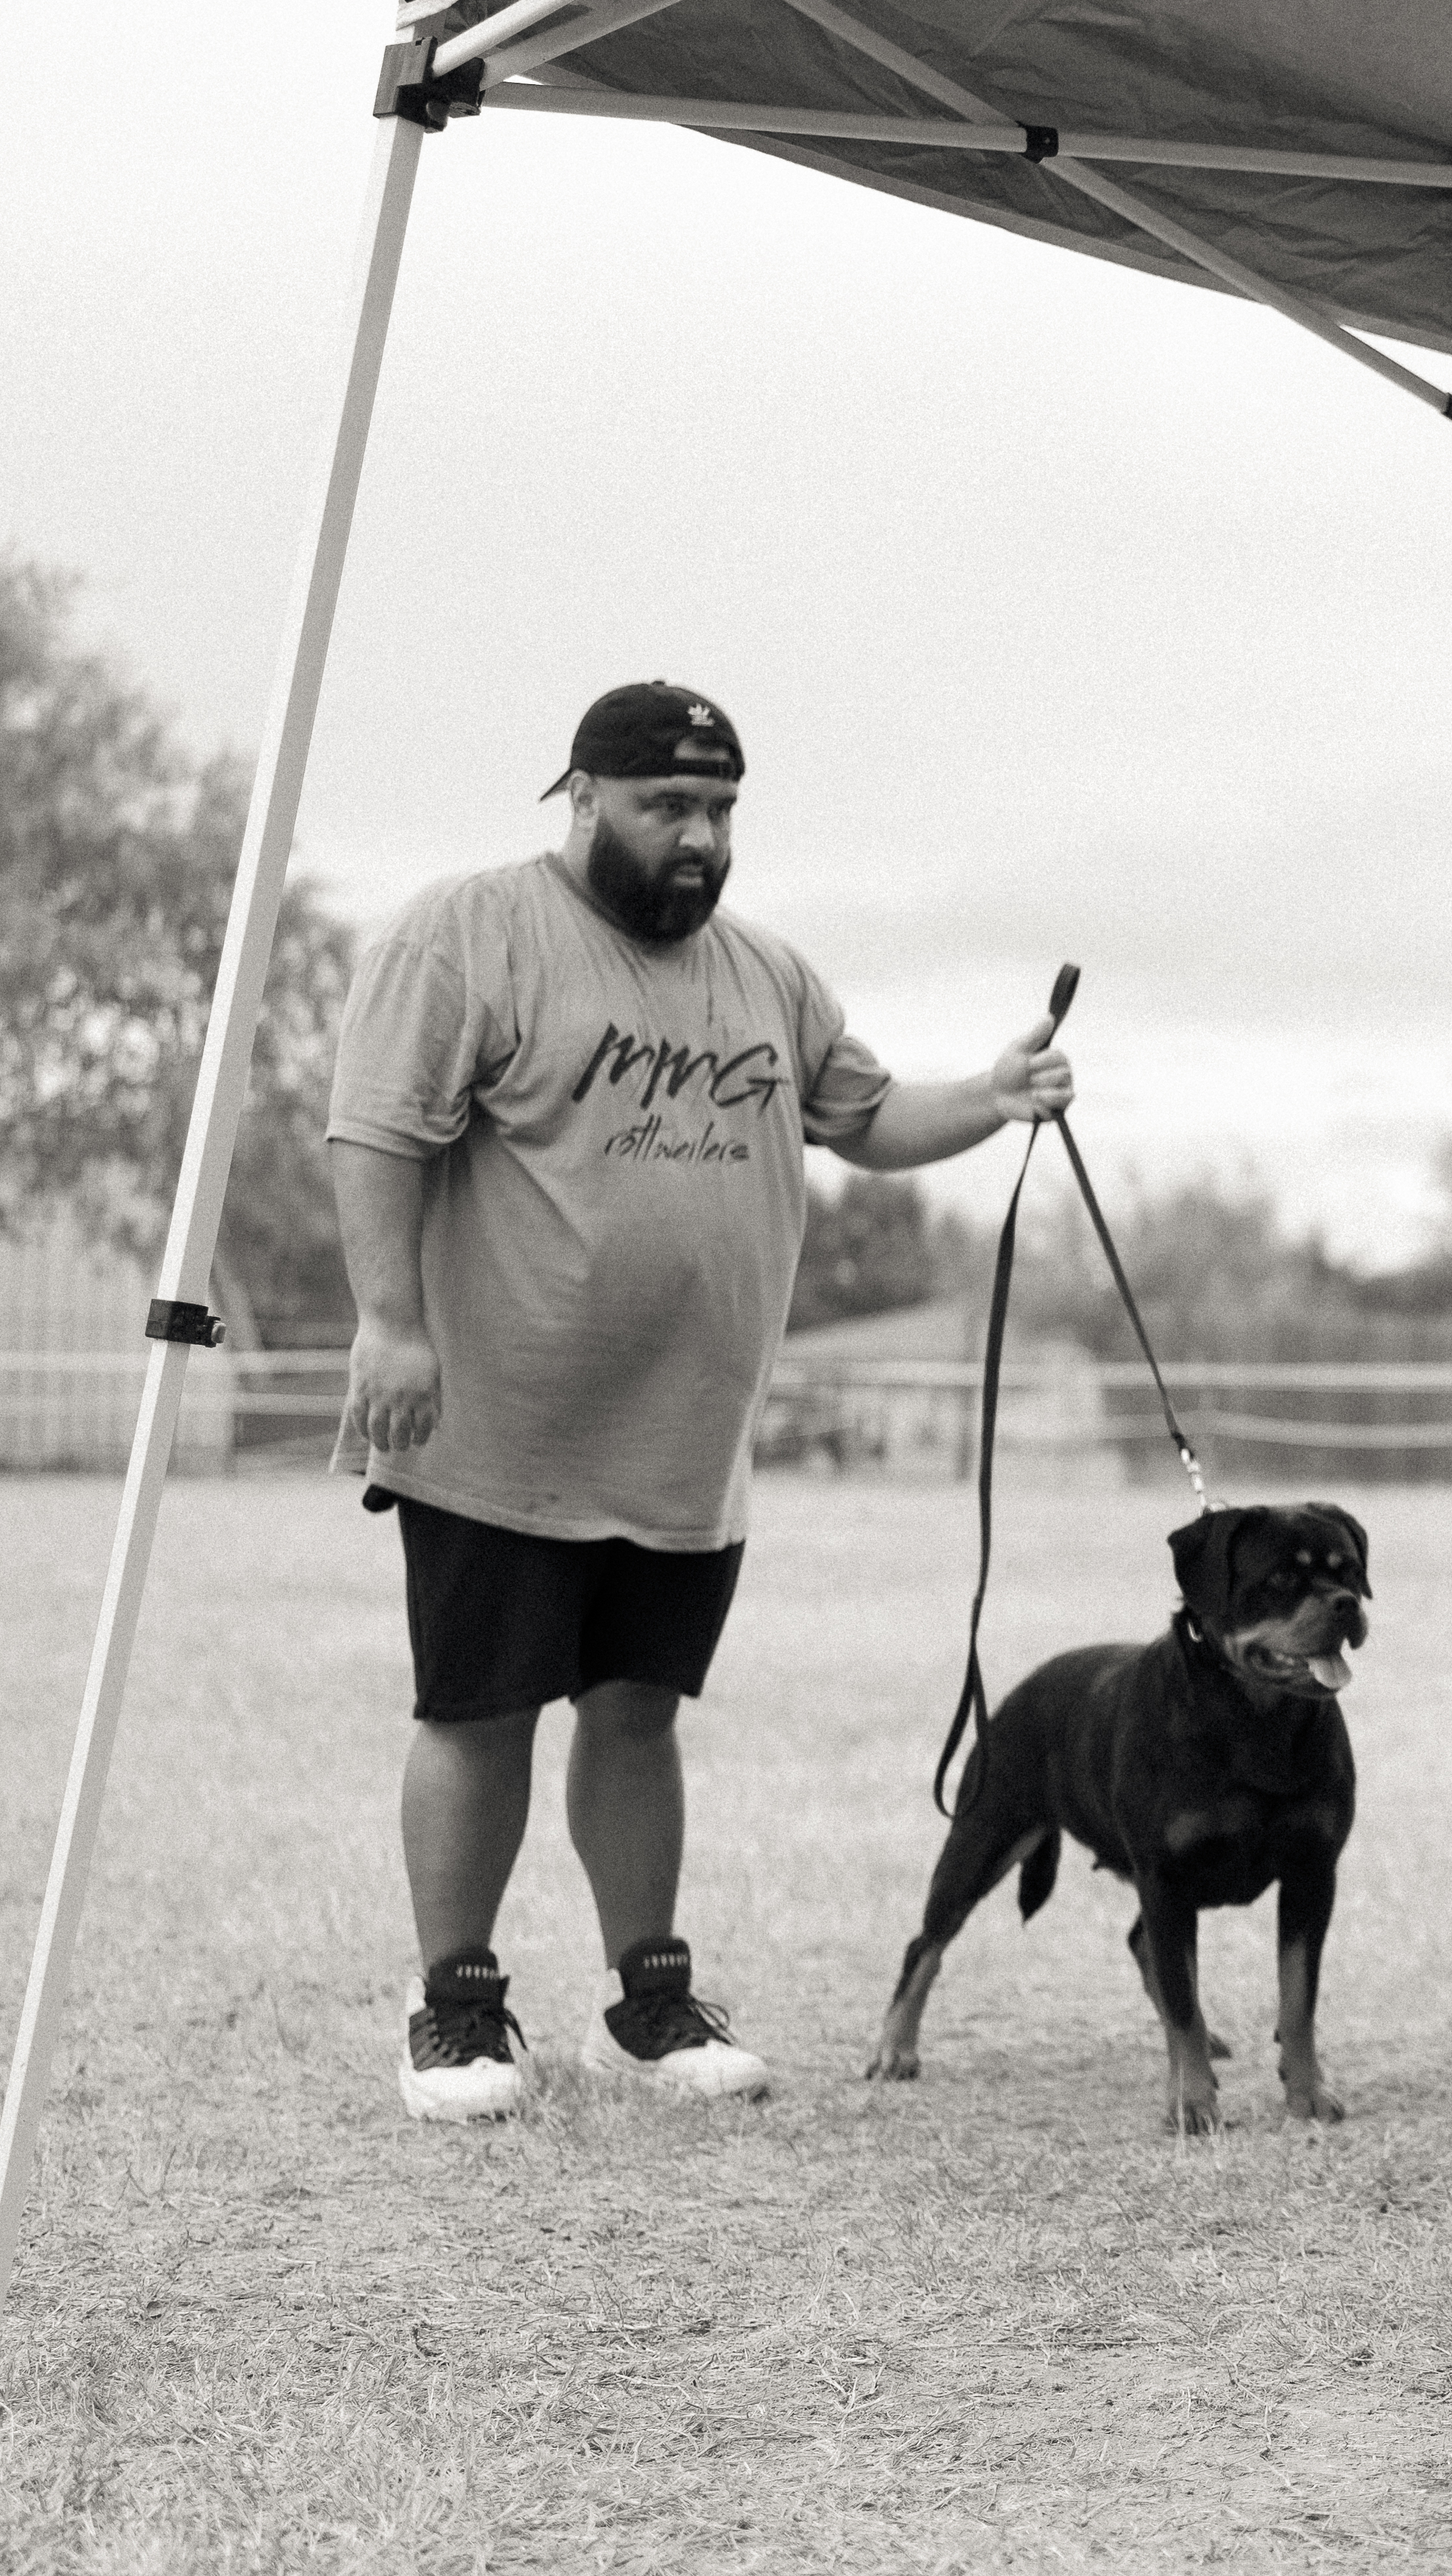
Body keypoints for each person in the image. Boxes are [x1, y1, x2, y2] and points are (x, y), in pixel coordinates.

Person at [331, 680, 1073, 2124]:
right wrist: (390, 1323)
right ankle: (457, 2011)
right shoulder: (467, 933)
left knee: (637, 1712)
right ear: (581, 797)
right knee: (480, 1710)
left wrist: (993, 1094)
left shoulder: (767, 974)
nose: (699, 837)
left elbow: (866, 1118)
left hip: (684, 1446)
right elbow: (375, 1132)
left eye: (720, 810)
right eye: (666, 805)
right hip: (500, 1428)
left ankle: (645, 2005)